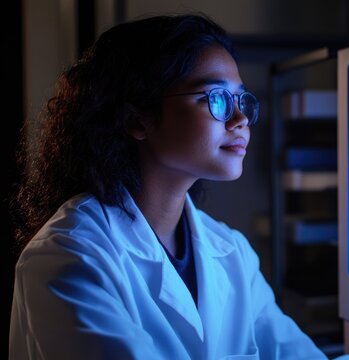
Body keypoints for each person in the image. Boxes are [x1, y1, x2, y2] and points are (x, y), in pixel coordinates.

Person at [9, 14, 328, 359]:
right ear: (137, 119)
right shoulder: (68, 258)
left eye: (241, 100)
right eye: (217, 99)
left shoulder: (231, 250)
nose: (240, 120)